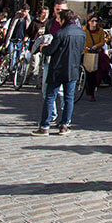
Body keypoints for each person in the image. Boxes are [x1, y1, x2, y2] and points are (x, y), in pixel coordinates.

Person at [33, 8, 86, 136]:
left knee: (50, 96)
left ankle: (45, 126)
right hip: (72, 68)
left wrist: (43, 48)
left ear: (63, 20)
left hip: (57, 68)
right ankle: (64, 125)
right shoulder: (81, 33)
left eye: (59, 19)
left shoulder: (60, 33)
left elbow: (51, 50)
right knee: (69, 98)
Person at [82, 15, 109, 102]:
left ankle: (91, 93)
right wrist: (85, 47)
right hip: (86, 53)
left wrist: (96, 46)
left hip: (96, 53)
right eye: (92, 21)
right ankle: (86, 87)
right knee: (87, 73)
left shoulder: (100, 31)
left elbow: (102, 42)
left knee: (94, 74)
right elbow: (82, 40)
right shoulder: (84, 30)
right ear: (88, 22)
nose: (94, 23)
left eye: (96, 21)